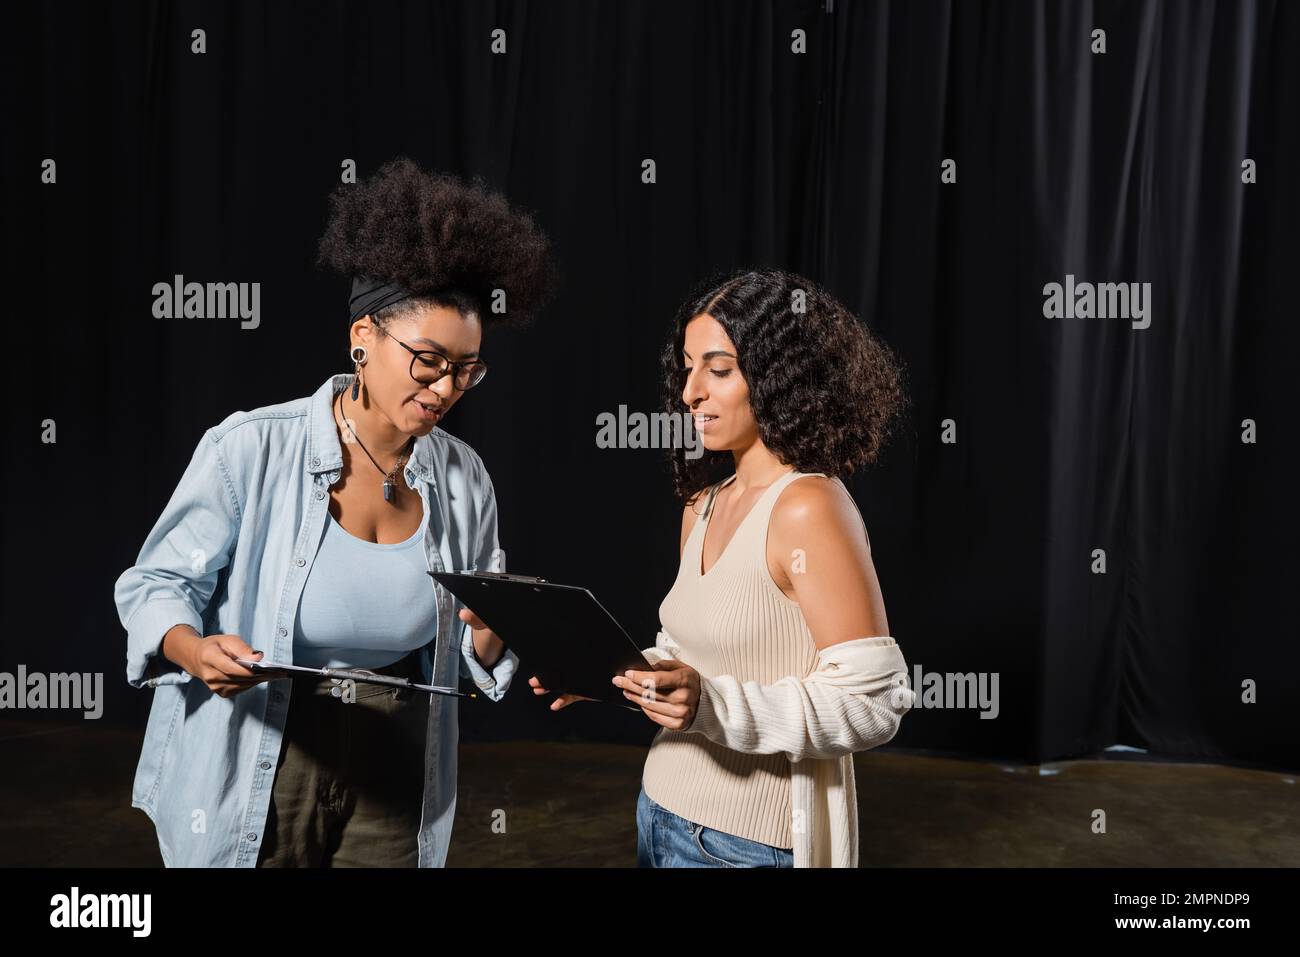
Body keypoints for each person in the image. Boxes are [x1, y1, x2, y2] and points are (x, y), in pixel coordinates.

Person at [114, 157, 555, 867]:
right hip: (263, 739)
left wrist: (491, 632)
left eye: (466, 368)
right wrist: (193, 650)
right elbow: (155, 585)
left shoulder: (465, 479)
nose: (447, 387)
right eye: (428, 359)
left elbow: (480, 645)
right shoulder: (249, 448)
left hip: (396, 753)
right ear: (364, 336)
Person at [531, 267, 916, 867]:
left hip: (745, 844)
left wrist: (709, 704)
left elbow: (875, 702)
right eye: (687, 368)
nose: (690, 392)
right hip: (659, 808)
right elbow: (693, 665)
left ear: (779, 374)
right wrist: (609, 674)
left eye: (718, 369)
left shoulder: (809, 506)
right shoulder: (702, 506)